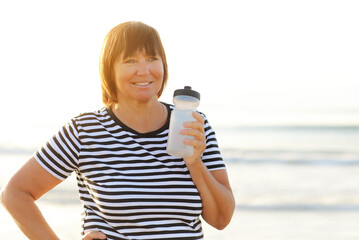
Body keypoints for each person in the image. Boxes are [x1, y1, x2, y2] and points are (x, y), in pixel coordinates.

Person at [1, 21, 235, 240]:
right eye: (130, 60)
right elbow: (15, 194)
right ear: (109, 70)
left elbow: (221, 219)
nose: (143, 71)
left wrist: (195, 163)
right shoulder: (84, 130)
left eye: (152, 58)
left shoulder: (194, 124)